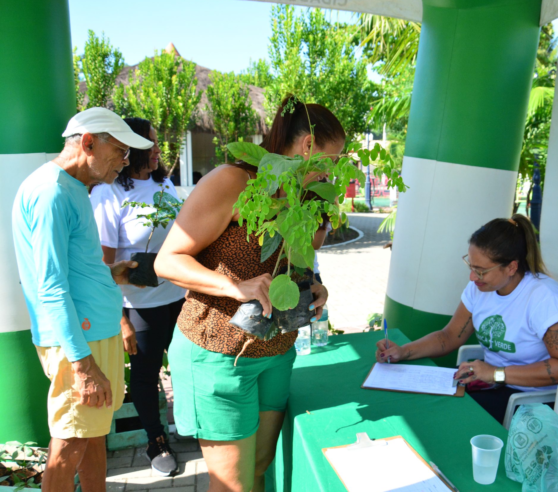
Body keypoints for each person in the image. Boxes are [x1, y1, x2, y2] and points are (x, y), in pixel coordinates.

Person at [155, 96, 337, 492]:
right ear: (307, 147)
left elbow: (287, 263)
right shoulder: (234, 181)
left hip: (276, 351)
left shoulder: (299, 197)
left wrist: (312, 286)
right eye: (331, 160)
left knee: (259, 470)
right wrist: (236, 287)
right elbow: (167, 262)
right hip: (219, 355)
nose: (332, 174)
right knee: (232, 485)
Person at [12, 107, 154, 492]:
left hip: (91, 334)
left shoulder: (70, 188)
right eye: (120, 153)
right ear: (88, 142)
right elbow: (50, 285)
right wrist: (82, 364)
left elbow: (70, 272)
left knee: (92, 437)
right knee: (69, 444)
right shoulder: (51, 192)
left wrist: (112, 274)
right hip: (80, 341)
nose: (125, 164)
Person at [376, 215, 558, 423]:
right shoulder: (481, 288)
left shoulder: (544, 297)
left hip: (531, 400)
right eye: (471, 266)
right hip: (491, 384)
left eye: (481, 271)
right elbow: (449, 336)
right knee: (420, 404)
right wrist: (404, 351)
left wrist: (496, 374)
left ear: (511, 267)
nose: (472, 277)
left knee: (446, 418)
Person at [90, 117, 186, 476]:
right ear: (131, 149)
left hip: (178, 296)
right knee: (146, 377)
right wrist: (120, 319)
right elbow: (102, 265)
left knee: (184, 362)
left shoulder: (166, 186)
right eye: (153, 143)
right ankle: (155, 440)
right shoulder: (109, 192)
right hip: (137, 305)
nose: (159, 149)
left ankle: (187, 425)